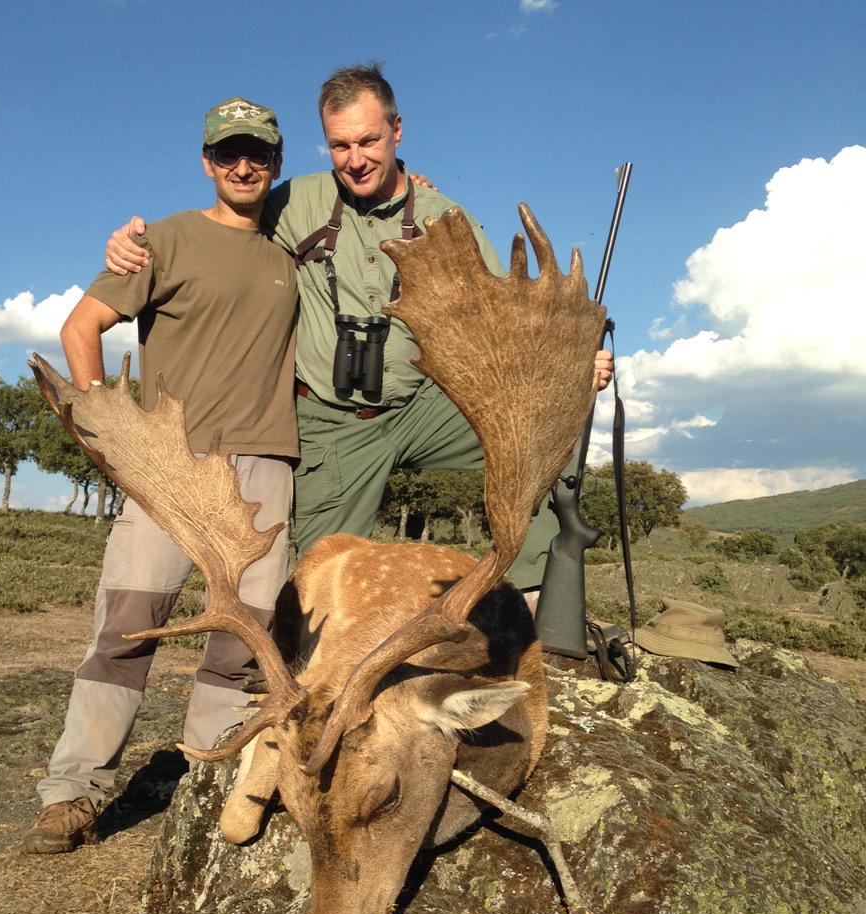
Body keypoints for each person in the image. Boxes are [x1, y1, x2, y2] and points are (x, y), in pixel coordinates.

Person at [105, 64, 614, 613]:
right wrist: (130, 245)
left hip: (423, 406)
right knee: (318, 588)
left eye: (369, 140)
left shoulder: (444, 217)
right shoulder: (290, 202)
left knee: (539, 425)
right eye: (339, 145)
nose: (356, 159)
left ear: (398, 130)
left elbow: (508, 322)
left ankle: (542, 599)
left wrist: (575, 365)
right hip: (332, 422)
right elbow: (224, 222)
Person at [22, 97, 299, 854]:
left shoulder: (294, 253)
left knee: (241, 640)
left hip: (265, 465)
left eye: (259, 154)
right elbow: (81, 328)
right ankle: (73, 791)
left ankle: (210, 780)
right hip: (170, 468)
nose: (244, 166)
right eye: (228, 153)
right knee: (126, 628)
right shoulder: (163, 242)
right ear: (208, 161)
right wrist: (109, 439)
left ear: (276, 163)